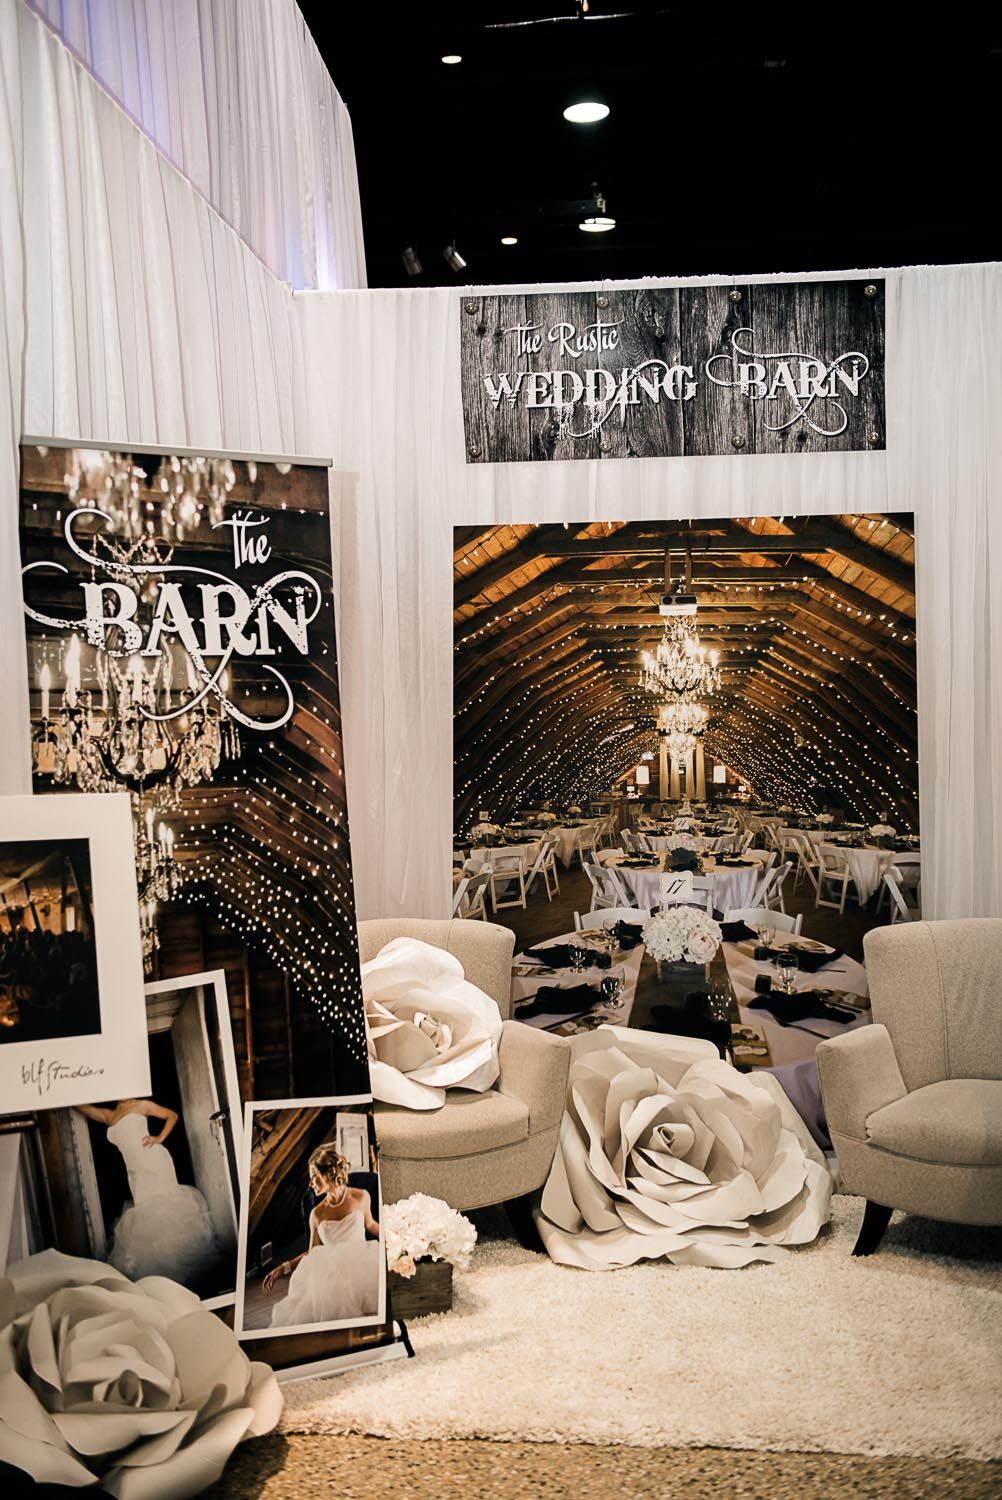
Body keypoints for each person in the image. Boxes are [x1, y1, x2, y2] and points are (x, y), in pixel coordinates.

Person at [75, 1099, 220, 1288]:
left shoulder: (141, 1105)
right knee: (147, 1218)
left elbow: (172, 1115)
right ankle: (161, 1275)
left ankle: (180, 1271)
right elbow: (86, 1108)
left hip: (154, 1162)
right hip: (135, 1172)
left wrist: (158, 1138)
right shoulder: (110, 1115)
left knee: (165, 1210)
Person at [264, 1144, 380, 1327]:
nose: (310, 1184)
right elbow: (313, 1252)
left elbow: (371, 1224)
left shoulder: (361, 1196)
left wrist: (395, 1237)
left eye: (314, 1177)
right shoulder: (317, 1214)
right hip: (332, 1275)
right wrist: (283, 1267)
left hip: (363, 1265)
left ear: (328, 1175)